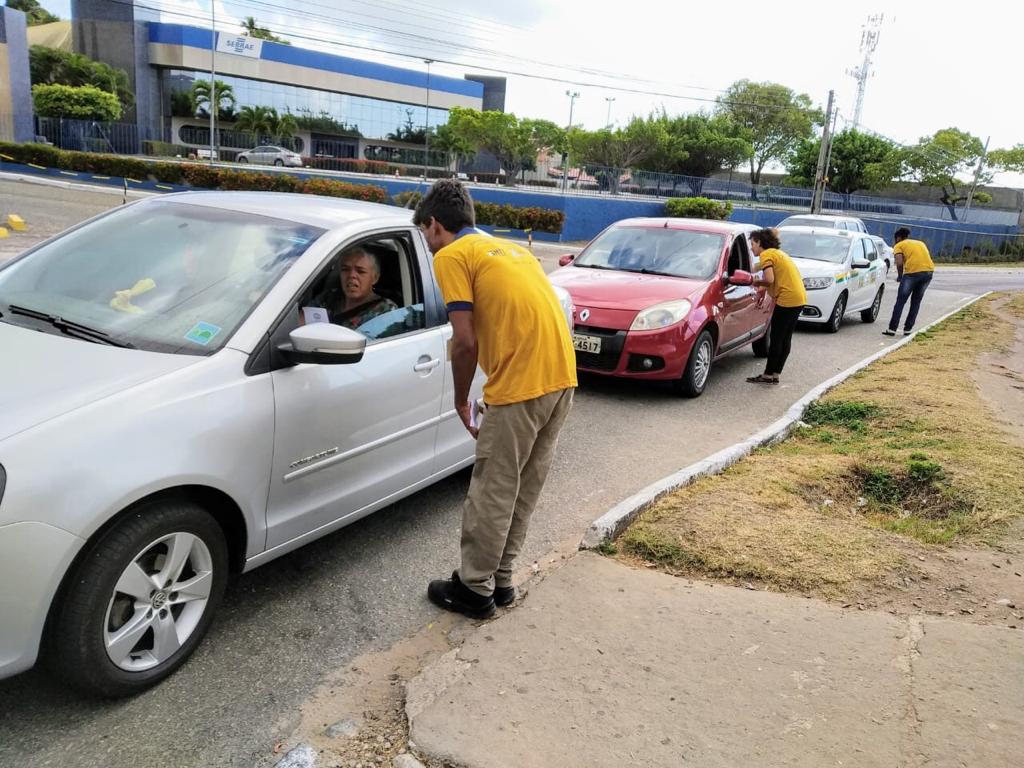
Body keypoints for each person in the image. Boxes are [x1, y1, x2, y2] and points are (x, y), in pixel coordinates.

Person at [414, 179, 577, 619]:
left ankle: (473, 590)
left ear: (434, 226)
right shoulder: (512, 251)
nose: (430, 250)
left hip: (520, 388)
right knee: (522, 486)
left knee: (492, 489)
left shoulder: (453, 255)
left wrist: (460, 398)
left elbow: (463, 342)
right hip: (561, 380)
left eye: (427, 240)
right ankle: (500, 580)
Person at [747, 227, 807, 385]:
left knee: (777, 338)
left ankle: (767, 375)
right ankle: (775, 374)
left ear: (759, 242)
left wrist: (753, 282)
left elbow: (769, 280)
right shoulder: (777, 253)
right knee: (785, 338)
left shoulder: (767, 254)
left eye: (752, 244)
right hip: (798, 298)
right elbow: (759, 270)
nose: (751, 247)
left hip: (787, 299)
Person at [330, 246, 398, 330]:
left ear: (375, 278)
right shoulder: (328, 298)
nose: (351, 275)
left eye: (360, 271)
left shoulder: (386, 310)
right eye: (345, 269)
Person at [884, 227, 934, 336]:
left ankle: (892, 329)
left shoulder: (899, 245)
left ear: (898, 238)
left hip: (912, 273)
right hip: (928, 272)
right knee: (916, 302)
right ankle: (908, 329)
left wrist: (900, 276)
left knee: (900, 301)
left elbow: (899, 262)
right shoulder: (920, 243)